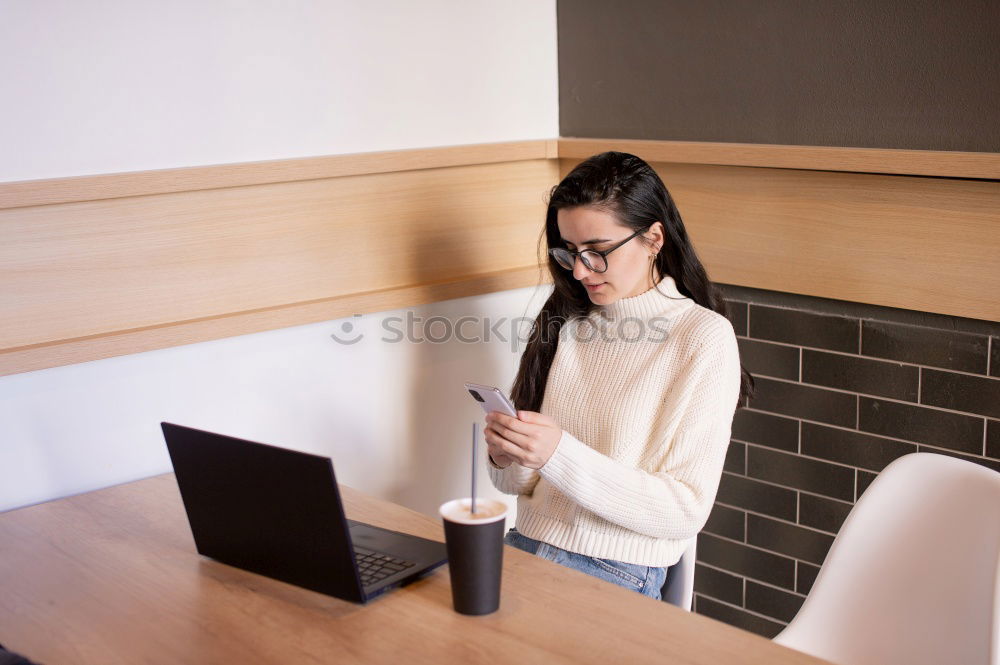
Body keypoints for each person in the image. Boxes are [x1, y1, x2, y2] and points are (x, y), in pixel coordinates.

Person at [483, 151, 753, 600]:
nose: (580, 270)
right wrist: (509, 456)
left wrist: (557, 453)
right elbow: (523, 484)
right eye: (570, 251)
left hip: (614, 572)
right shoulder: (569, 321)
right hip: (524, 546)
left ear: (653, 239)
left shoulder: (701, 337)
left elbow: (685, 509)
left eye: (598, 251)